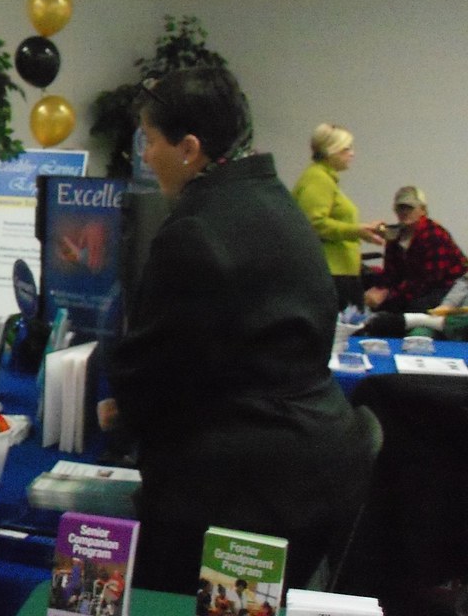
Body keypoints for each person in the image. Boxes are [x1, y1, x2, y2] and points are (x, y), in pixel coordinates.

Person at [100, 68, 378, 595]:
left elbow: (151, 372)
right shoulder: (274, 200)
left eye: (151, 140)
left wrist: (119, 409)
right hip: (317, 466)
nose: (145, 155)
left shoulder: (196, 231)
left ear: (189, 148)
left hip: (247, 493)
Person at [292, 123, 384, 311]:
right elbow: (313, 223)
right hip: (332, 271)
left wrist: (362, 230)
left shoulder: (323, 179)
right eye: (347, 148)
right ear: (331, 150)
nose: (352, 154)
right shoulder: (318, 179)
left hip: (339, 270)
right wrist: (357, 231)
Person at [363, 185, 467, 313]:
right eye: (400, 208)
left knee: (414, 307)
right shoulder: (395, 236)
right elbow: (390, 273)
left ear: (422, 210)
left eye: (409, 208)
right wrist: (380, 289)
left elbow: (429, 280)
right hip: (416, 288)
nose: (404, 212)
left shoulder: (434, 234)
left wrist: (389, 295)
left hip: (448, 288)